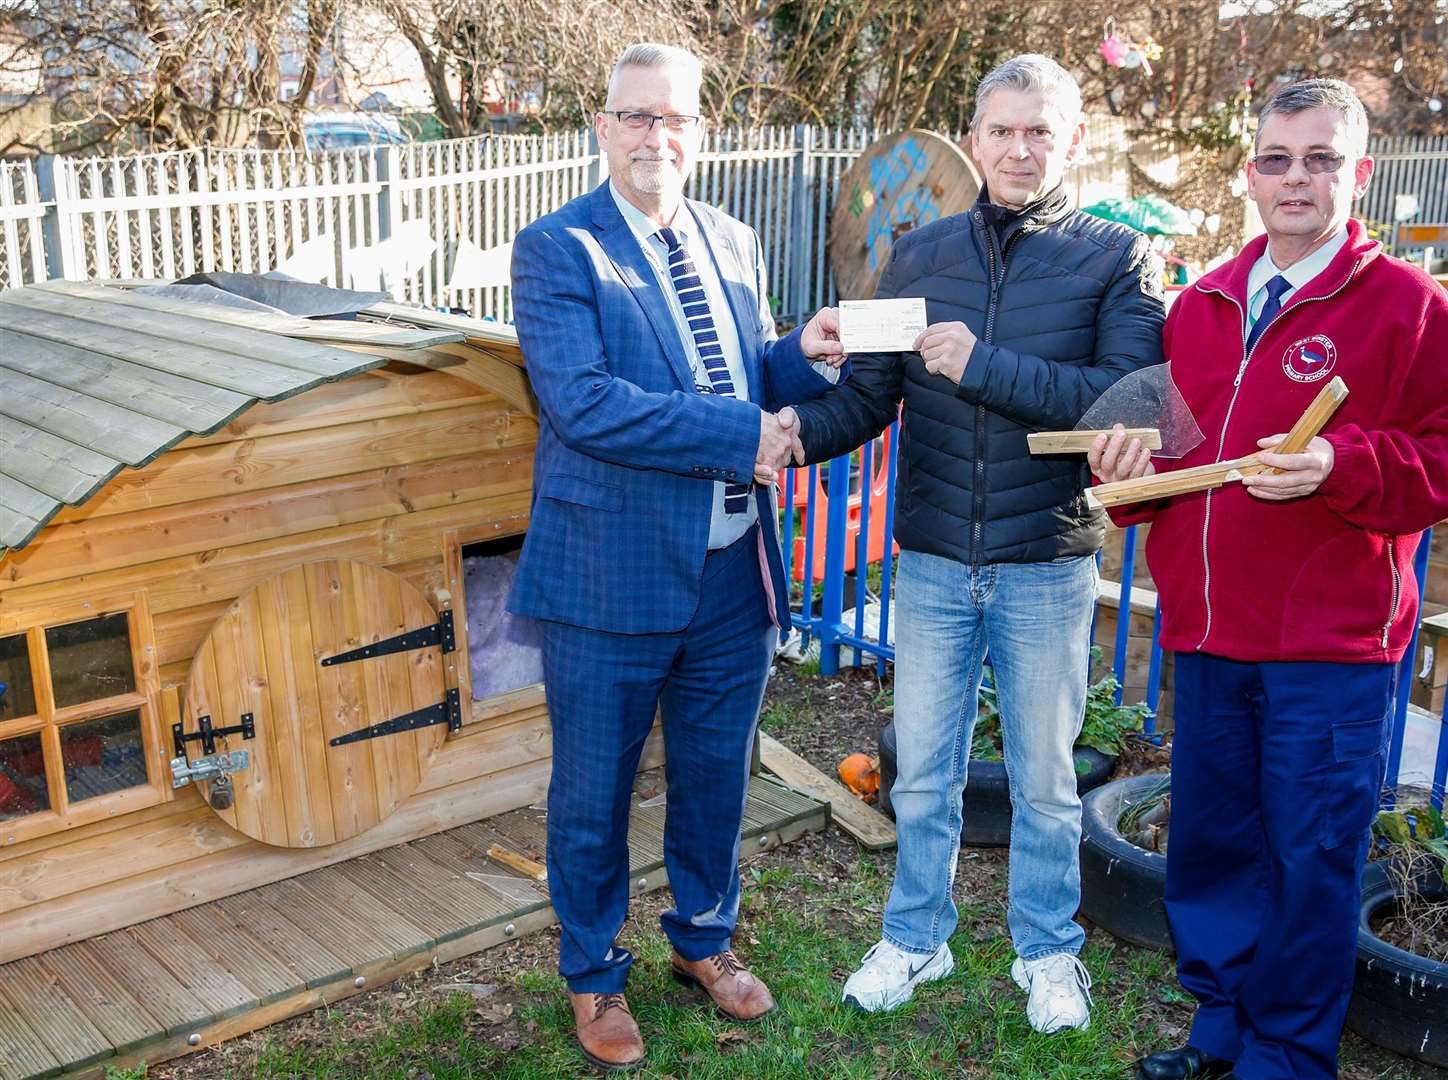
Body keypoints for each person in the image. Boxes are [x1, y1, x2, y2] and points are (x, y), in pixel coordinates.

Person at [790, 53, 1164, 1032]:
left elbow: (1119, 408)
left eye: (1038, 130)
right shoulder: (917, 257)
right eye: (1000, 129)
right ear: (973, 136)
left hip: (1044, 562)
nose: (1017, 147)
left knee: (1043, 781)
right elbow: (868, 399)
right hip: (932, 563)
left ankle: (1046, 953)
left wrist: (980, 364)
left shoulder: (1114, 260)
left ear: (1071, 139)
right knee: (922, 770)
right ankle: (916, 938)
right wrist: (788, 432)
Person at [1090, 78, 1448, 1080]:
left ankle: (1284, 1057)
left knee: (1307, 857)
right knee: (1212, 845)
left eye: (1319, 158)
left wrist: (1344, 466)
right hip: (1205, 634)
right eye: (1277, 159)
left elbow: (1437, 458)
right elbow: (1175, 464)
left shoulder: (1408, 309)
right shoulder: (1202, 304)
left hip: (1326, 649)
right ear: (1249, 173)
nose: (1295, 179)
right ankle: (1216, 1032)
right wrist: (1124, 482)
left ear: (1358, 171)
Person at [507, 42, 847, 1072]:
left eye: (677, 120)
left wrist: (806, 356)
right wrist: (737, 434)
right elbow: (584, 403)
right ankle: (593, 975)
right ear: (600, 128)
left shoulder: (735, 239)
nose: (657, 137)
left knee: (713, 779)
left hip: (728, 571)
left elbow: (744, 371)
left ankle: (701, 940)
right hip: (605, 580)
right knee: (592, 794)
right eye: (637, 117)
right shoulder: (558, 248)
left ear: (701, 131)